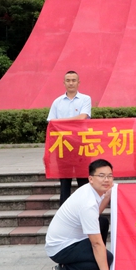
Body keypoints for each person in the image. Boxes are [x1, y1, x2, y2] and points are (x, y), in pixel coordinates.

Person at [45, 159, 114, 270]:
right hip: (60, 248)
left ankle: (95, 264)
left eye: (109, 176)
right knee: (108, 259)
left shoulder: (91, 189)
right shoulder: (87, 203)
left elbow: (95, 215)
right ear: (91, 179)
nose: (106, 180)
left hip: (72, 239)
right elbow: (96, 244)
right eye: (101, 176)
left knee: (102, 222)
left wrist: (107, 197)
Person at [47, 70, 92, 206]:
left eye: (73, 80)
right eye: (68, 80)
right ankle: (64, 212)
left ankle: (84, 208)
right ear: (64, 83)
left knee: (83, 180)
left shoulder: (85, 99)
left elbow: (83, 117)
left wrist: (62, 122)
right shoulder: (57, 102)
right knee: (64, 181)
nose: (71, 83)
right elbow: (51, 122)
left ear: (78, 82)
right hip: (63, 145)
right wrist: (69, 122)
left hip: (81, 144)